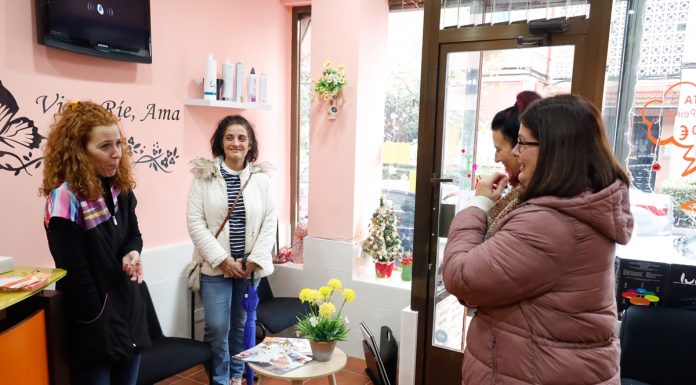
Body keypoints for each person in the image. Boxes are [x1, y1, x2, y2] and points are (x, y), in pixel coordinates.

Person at [443, 94, 633, 385]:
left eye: (523, 142)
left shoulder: (549, 223)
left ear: (555, 149)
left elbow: (460, 276)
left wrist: (478, 205)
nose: (516, 153)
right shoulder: (576, 204)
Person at [40, 101, 149, 385]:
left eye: (118, 143)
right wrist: (98, 320)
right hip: (93, 319)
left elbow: (133, 235)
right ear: (79, 151)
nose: (116, 154)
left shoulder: (119, 187)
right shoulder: (65, 198)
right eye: (104, 147)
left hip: (128, 308)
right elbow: (74, 272)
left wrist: (132, 253)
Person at [187, 115, 277, 385]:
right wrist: (221, 259)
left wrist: (255, 260)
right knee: (216, 327)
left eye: (242, 138)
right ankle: (220, 377)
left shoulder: (261, 180)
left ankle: (237, 376)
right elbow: (195, 222)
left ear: (250, 144)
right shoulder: (204, 177)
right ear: (220, 142)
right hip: (216, 268)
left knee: (240, 325)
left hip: (249, 270)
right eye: (230, 137)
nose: (236, 143)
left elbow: (269, 220)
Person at [485, 90, 541, 238]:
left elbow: (466, 261)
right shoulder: (526, 196)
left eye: (499, 149)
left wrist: (480, 202)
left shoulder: (532, 206)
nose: (496, 159)